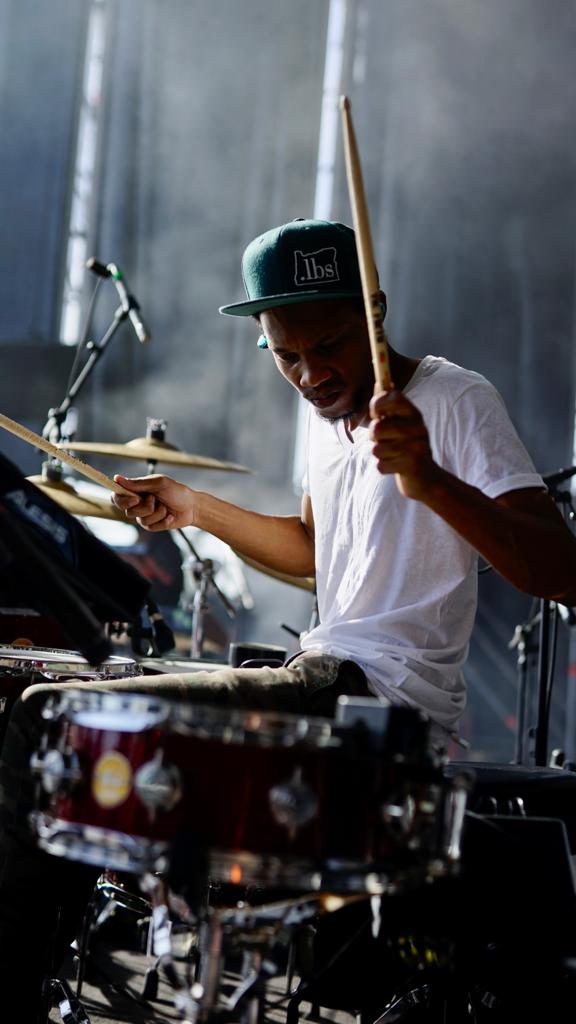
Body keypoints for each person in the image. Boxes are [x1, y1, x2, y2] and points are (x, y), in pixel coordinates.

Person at [1, 217, 576, 1020]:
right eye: (287, 354)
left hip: (376, 702)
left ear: (374, 310)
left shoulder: (454, 401)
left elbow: (562, 570)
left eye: (332, 344)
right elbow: (314, 549)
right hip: (319, 672)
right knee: (75, 709)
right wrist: (194, 507)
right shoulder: (323, 413)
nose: (311, 372)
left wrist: (432, 481)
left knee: (51, 720)